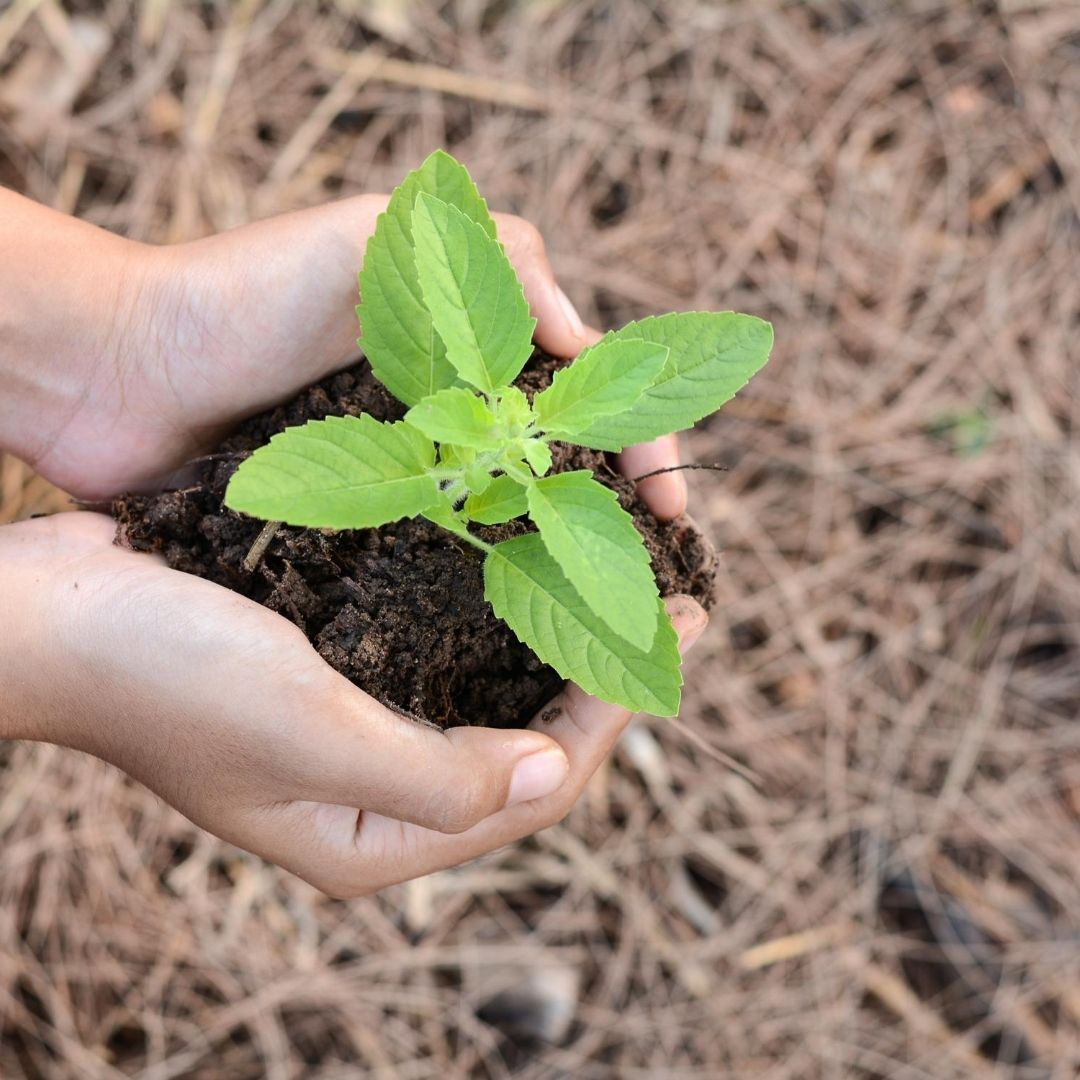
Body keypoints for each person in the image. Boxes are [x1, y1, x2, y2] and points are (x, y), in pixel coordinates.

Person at [0, 187, 707, 897]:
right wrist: (63, 645)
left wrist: (128, 340)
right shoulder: (424, 436)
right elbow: (282, 486)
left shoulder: (540, 480)